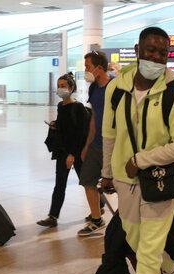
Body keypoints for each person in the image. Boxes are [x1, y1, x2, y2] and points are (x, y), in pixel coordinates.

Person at [100, 26, 174, 274]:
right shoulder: (117, 89)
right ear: (137, 50)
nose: (155, 57)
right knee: (134, 236)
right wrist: (106, 172)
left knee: (150, 245)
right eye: (150, 50)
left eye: (161, 52)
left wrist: (141, 159)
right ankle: (170, 267)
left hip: (158, 181)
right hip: (123, 180)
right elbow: (108, 134)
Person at [37, 75, 88, 227]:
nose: (60, 89)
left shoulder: (78, 107)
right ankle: (53, 216)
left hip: (77, 152)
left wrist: (72, 154)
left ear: (71, 88)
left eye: (63, 85)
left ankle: (100, 206)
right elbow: (65, 125)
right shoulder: (60, 106)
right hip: (62, 151)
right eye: (58, 85)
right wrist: (55, 125)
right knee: (60, 184)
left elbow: (81, 133)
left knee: (86, 182)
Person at [77, 50, 112, 236]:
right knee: (88, 181)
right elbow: (94, 117)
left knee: (118, 185)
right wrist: (87, 145)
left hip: (113, 145)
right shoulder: (94, 89)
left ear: (99, 68)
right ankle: (96, 219)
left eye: (88, 67)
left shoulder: (115, 86)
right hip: (96, 144)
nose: (86, 71)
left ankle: (126, 222)